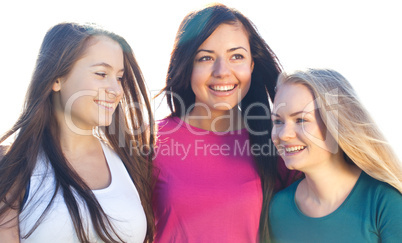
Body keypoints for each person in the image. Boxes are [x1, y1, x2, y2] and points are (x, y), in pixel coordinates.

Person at [153, 3, 298, 242]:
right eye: (206, 58)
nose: (222, 71)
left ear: (251, 66)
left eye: (237, 56)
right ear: (187, 66)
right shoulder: (151, 143)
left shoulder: (279, 140)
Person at [0, 23, 155, 242]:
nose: (117, 90)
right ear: (56, 79)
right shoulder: (13, 169)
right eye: (101, 74)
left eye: (119, 77)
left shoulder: (129, 161)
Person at [269, 68, 402, 242]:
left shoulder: (384, 202)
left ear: (336, 125)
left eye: (301, 120)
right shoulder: (278, 209)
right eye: (278, 121)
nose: (283, 134)